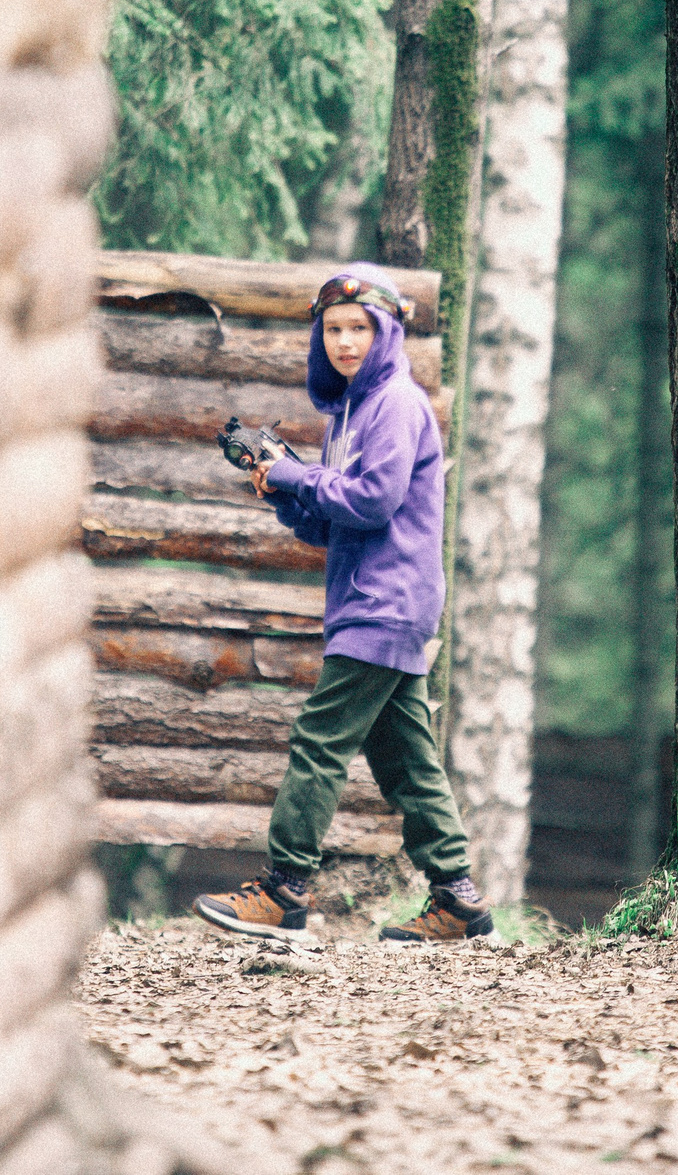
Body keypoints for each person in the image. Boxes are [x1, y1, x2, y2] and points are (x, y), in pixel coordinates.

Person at [191, 264, 494, 944]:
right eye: (333, 329)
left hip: (385, 601)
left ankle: (284, 890)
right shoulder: (350, 413)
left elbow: (375, 499)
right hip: (375, 600)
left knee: (319, 739)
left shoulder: (396, 403)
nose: (346, 342)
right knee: (405, 758)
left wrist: (299, 474)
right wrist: (286, 495)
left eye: (360, 328)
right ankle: (458, 900)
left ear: (386, 332)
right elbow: (340, 522)